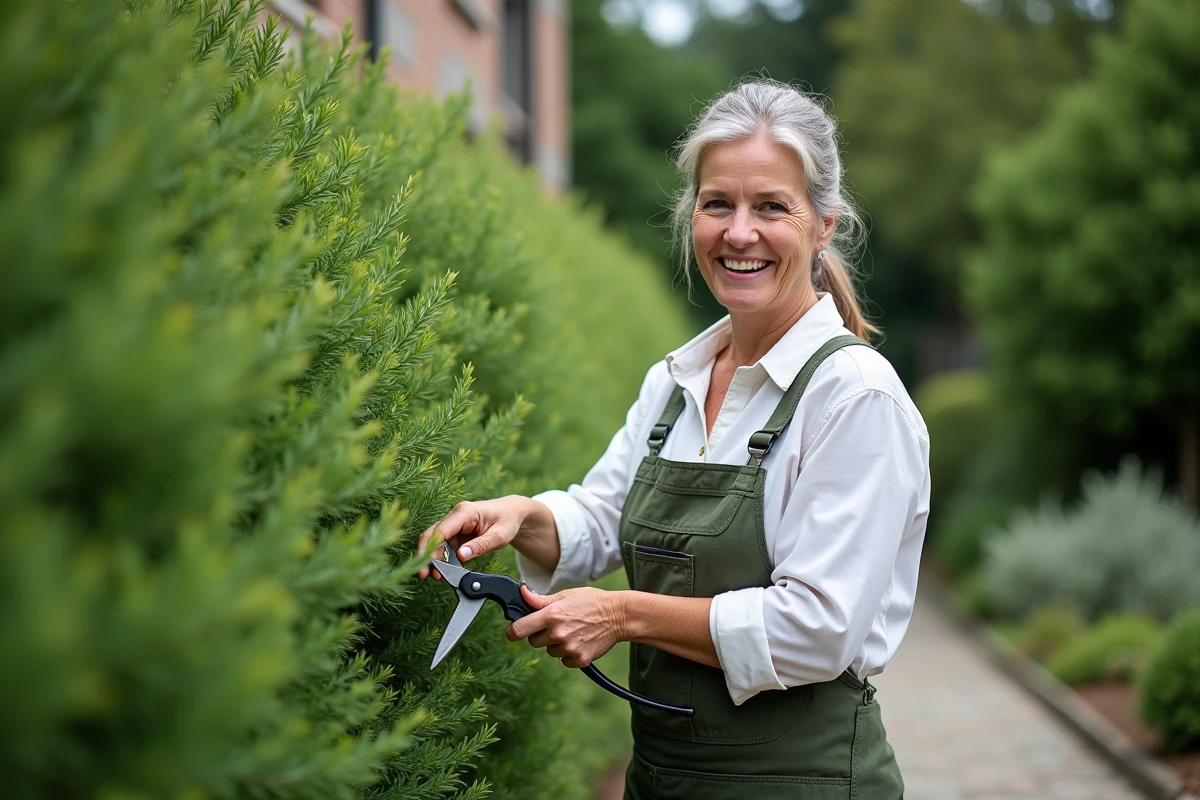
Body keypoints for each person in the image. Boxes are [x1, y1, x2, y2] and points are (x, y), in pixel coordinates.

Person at [418, 80, 929, 799]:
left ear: (823, 226)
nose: (739, 232)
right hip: (661, 781)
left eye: (771, 207)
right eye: (718, 203)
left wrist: (623, 614)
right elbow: (603, 522)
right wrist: (523, 515)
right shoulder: (676, 380)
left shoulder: (855, 398)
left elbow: (816, 627)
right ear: (692, 215)